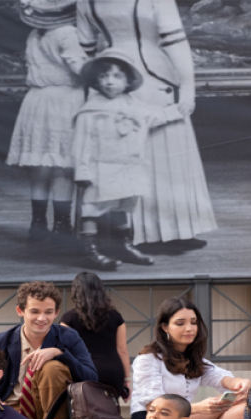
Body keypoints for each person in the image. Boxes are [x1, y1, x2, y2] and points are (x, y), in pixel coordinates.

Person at [76, 0, 216, 254]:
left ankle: (172, 231)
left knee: (164, 150)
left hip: (127, 76)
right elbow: (84, 48)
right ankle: (129, 235)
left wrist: (187, 88)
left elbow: (175, 41)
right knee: (125, 153)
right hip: (120, 77)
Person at [72, 49, 180, 269]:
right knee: (92, 208)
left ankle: (121, 245)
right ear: (96, 80)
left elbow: (158, 115)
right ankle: (89, 249)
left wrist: (181, 108)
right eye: (103, 76)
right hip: (100, 168)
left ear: (128, 80)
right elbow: (80, 144)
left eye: (116, 76)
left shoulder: (136, 107)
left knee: (122, 206)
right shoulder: (91, 111)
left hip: (129, 168)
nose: (109, 82)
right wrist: (82, 171)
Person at [0, 281, 97, 419]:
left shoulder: (68, 337)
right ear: (20, 311)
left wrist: (60, 353)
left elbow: (91, 377)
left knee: (52, 368)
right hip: (12, 410)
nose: (42, 318)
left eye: (48, 312)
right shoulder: (0, 342)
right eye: (34, 311)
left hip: (53, 410)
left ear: (56, 313)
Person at [6, 0, 87, 246]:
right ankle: (62, 226)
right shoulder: (68, 33)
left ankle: (38, 224)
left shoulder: (35, 34)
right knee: (63, 167)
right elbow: (78, 68)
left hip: (37, 100)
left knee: (41, 168)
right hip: (64, 100)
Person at [130, 296, 251, 419]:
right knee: (244, 407)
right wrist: (199, 408)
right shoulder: (148, 359)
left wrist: (240, 383)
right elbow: (154, 405)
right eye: (180, 323)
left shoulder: (195, 361)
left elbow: (221, 377)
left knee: (246, 406)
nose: (189, 328)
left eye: (194, 322)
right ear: (165, 327)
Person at [59, 271, 131, 399]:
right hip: (113, 374)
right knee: (111, 412)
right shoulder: (116, 316)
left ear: (76, 292)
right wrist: (127, 380)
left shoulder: (68, 319)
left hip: (84, 374)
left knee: (85, 414)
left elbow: (65, 352)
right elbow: (123, 350)